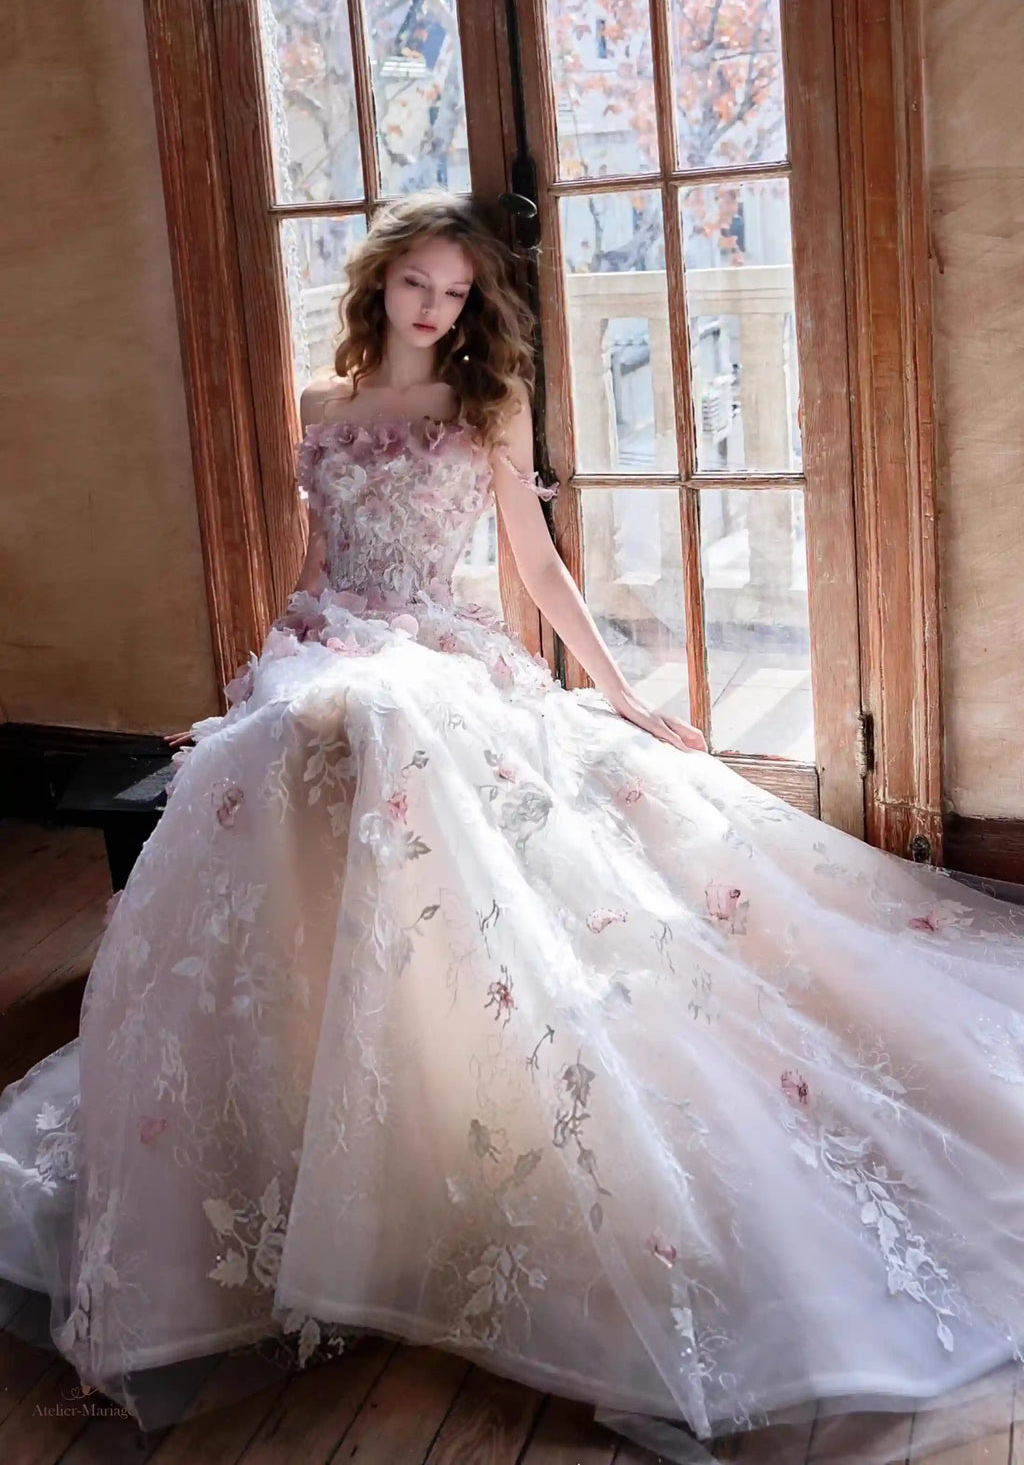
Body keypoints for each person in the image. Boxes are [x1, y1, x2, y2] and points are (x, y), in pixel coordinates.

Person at [2, 190, 1024, 1465]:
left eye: (453, 294)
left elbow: (534, 572)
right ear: (378, 286)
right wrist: (254, 680)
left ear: (470, 310)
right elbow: (317, 575)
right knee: (289, 740)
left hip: (446, 657)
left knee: (393, 726)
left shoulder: (479, 408)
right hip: (330, 651)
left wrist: (622, 697)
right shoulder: (318, 412)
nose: (431, 307)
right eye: (414, 284)